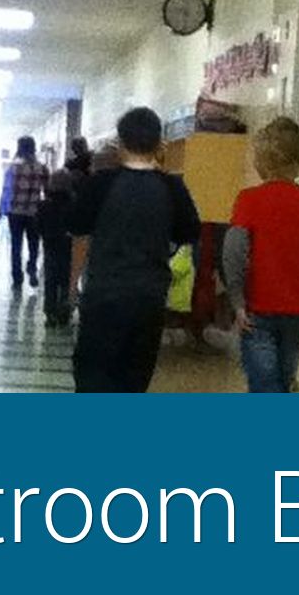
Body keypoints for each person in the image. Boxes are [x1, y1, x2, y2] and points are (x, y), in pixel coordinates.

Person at [69, 107, 201, 393]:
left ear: (120, 142)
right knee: (134, 379)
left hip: (103, 295)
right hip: (148, 299)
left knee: (92, 376)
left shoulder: (99, 184)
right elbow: (190, 232)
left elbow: (79, 232)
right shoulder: (172, 187)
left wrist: (72, 286)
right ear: (159, 143)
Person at [222, 118, 299, 393]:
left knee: (264, 386)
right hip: (297, 314)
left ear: (260, 161)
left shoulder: (249, 199)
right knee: (282, 382)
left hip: (256, 311)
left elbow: (233, 253)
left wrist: (237, 301)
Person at [0, 136, 49, 290]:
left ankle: (17, 276)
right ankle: (32, 267)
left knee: (16, 245)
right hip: (34, 212)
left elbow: (6, 190)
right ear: (34, 148)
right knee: (34, 243)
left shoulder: (12, 168)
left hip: (15, 212)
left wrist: (2, 209)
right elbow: (47, 191)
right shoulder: (42, 168)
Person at [38, 169, 75, 328]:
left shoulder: (44, 205)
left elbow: (38, 226)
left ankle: (50, 312)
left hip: (50, 246)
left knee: (50, 281)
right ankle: (64, 311)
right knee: (66, 280)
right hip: (68, 247)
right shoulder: (74, 204)